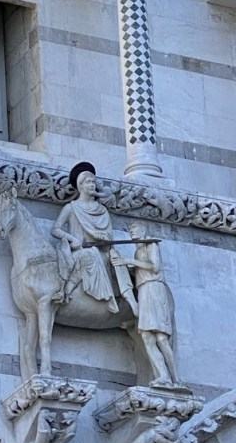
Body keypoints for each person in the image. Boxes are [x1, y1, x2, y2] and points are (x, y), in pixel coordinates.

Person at [114, 221, 179, 386]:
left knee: (161, 338)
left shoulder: (151, 244)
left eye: (135, 229)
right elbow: (141, 271)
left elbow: (154, 267)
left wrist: (128, 261)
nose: (132, 232)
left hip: (154, 289)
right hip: (143, 290)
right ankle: (162, 376)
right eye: (130, 229)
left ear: (143, 230)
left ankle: (176, 379)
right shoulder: (138, 250)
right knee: (147, 337)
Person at [51, 162, 120, 313]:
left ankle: (111, 296)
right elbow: (55, 229)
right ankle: (66, 292)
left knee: (96, 254)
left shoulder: (102, 210)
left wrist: (103, 238)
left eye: (94, 182)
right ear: (80, 185)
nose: (92, 185)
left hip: (100, 252)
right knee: (89, 254)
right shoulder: (71, 207)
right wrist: (72, 239)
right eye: (88, 182)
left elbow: (109, 238)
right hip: (77, 251)